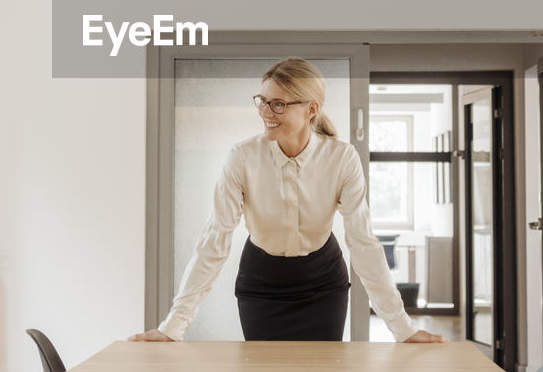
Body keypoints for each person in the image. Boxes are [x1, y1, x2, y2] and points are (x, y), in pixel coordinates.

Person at [130, 57, 444, 344]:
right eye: (263, 102)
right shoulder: (242, 157)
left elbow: (364, 243)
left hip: (323, 286)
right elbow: (214, 242)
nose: (266, 113)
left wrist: (403, 329)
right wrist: (173, 327)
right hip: (261, 287)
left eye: (278, 104)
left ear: (311, 109)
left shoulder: (342, 158)